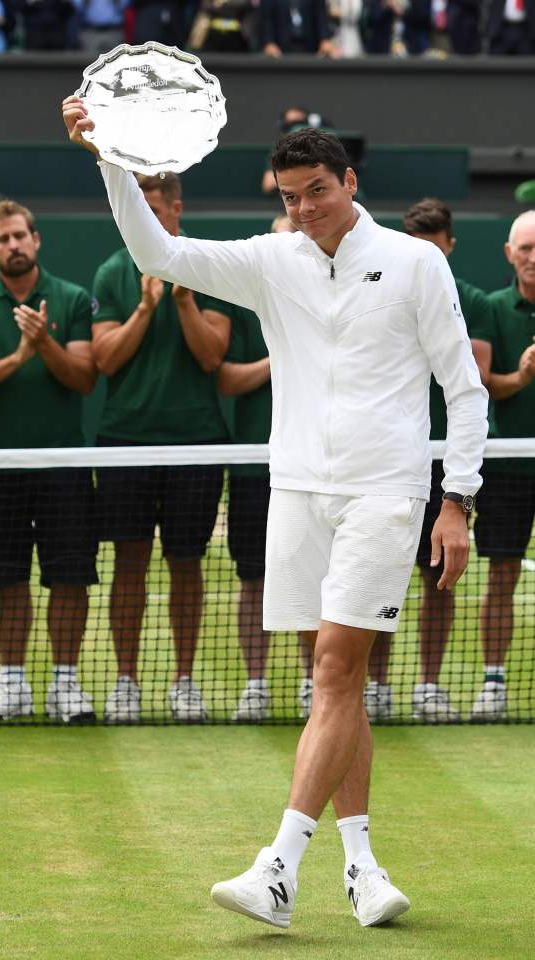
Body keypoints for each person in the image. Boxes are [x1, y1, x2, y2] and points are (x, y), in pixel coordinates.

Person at [63, 100, 487, 928]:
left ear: (350, 182)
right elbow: (157, 248)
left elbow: (462, 390)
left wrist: (458, 501)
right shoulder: (270, 259)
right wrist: (109, 159)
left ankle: (279, 865)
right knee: (338, 682)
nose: (303, 209)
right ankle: (362, 865)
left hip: (383, 491)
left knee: (334, 670)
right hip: (294, 491)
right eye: (290, 195)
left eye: (317, 191)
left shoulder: (412, 264)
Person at [0, 200, 98, 724]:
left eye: (20, 236)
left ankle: (65, 683)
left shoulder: (73, 299)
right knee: (6, 578)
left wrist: (43, 342)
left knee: (69, 578)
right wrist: (16, 357)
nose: (13, 245)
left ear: (36, 240)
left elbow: (83, 377)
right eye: (2, 239)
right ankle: (11, 683)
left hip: (62, 467)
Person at [91, 172, 230, 724]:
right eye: (138, 211)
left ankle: (184, 681)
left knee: (186, 564)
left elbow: (212, 357)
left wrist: (183, 301)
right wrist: (145, 308)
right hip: (126, 440)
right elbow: (104, 360)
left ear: (176, 209)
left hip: (195, 442)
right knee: (129, 564)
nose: (146, 222)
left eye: (155, 210)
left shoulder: (207, 264)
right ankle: (126, 681)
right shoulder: (111, 269)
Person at [366, 197, 493, 723]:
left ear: (450, 246)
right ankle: (373, 687)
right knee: (374, 585)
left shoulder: (473, 302)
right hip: (393, 464)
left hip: (448, 467)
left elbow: (471, 379)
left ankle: (429, 686)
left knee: (437, 582)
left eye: (436, 248)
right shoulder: (388, 289)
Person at [213, 214, 312, 723]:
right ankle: (255, 684)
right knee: (254, 580)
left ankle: (314, 684)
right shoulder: (246, 299)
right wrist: (284, 356)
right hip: (256, 468)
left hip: (316, 470)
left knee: (314, 583)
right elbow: (228, 379)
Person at [471, 210, 535, 721]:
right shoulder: (492, 308)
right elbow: (486, 381)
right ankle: (494, 681)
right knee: (502, 575)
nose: (532, 257)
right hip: (509, 464)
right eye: (525, 248)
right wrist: (523, 375)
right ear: (510, 254)